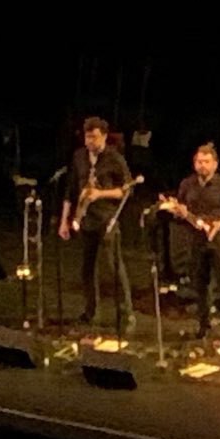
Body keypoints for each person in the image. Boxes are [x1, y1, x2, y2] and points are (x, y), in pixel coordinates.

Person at [59, 117, 134, 331]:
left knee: (114, 267)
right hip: (85, 220)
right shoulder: (79, 157)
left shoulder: (115, 158)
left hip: (107, 218)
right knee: (87, 269)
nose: (90, 141)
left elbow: (127, 190)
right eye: (87, 136)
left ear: (103, 136)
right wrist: (65, 220)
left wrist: (100, 193)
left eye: (94, 137)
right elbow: (70, 190)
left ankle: (126, 314)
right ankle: (91, 311)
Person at [169, 143, 220, 340]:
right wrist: (179, 212)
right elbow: (181, 212)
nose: (201, 165)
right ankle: (204, 324)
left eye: (206, 162)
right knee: (200, 284)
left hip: (219, 240)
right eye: (198, 162)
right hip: (197, 240)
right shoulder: (187, 185)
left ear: (215, 164)